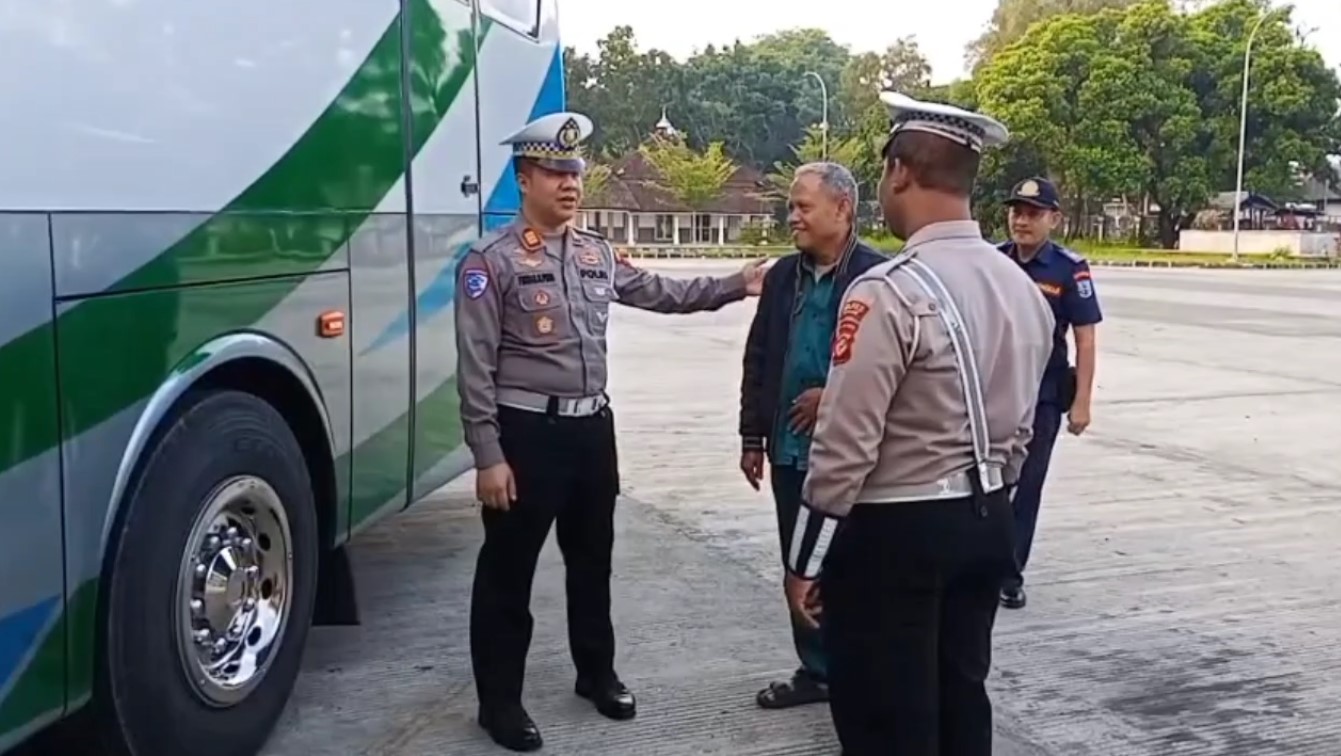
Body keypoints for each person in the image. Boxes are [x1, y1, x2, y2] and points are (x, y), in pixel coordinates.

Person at [454, 111, 768, 752]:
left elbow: (661, 293)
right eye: (555, 173)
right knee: (508, 573)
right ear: (524, 179)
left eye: (574, 172)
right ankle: (499, 703)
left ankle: (595, 673)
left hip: (593, 431)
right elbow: (475, 367)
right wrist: (488, 455)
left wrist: (737, 284)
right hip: (526, 435)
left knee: (592, 561)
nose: (570, 184)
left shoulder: (596, 253)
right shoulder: (491, 262)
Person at [785, 92, 1055, 755]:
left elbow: (845, 445)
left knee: (886, 721)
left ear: (899, 172)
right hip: (987, 519)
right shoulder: (1020, 288)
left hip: (896, 535)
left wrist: (805, 560)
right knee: (961, 703)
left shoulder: (888, 289)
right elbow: (1022, 430)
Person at [737, 162, 886, 710]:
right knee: (799, 565)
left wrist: (834, 396)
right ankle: (817, 670)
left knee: (854, 569)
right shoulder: (783, 276)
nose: (792, 216)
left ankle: (861, 672)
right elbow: (758, 355)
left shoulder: (878, 276)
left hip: (851, 458)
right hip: (790, 453)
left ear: (842, 209)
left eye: (803, 206)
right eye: (791, 206)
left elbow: (894, 367)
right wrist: (752, 436)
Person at [996, 177, 1102, 610]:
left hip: (1042, 395)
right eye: (1016, 212)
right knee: (987, 485)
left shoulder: (1067, 269)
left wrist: (1082, 402)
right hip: (995, 394)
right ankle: (979, 565)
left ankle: (1009, 575)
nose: (1021, 221)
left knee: (1027, 486)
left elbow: (1085, 338)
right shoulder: (994, 261)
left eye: (1032, 214)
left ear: (1054, 219)